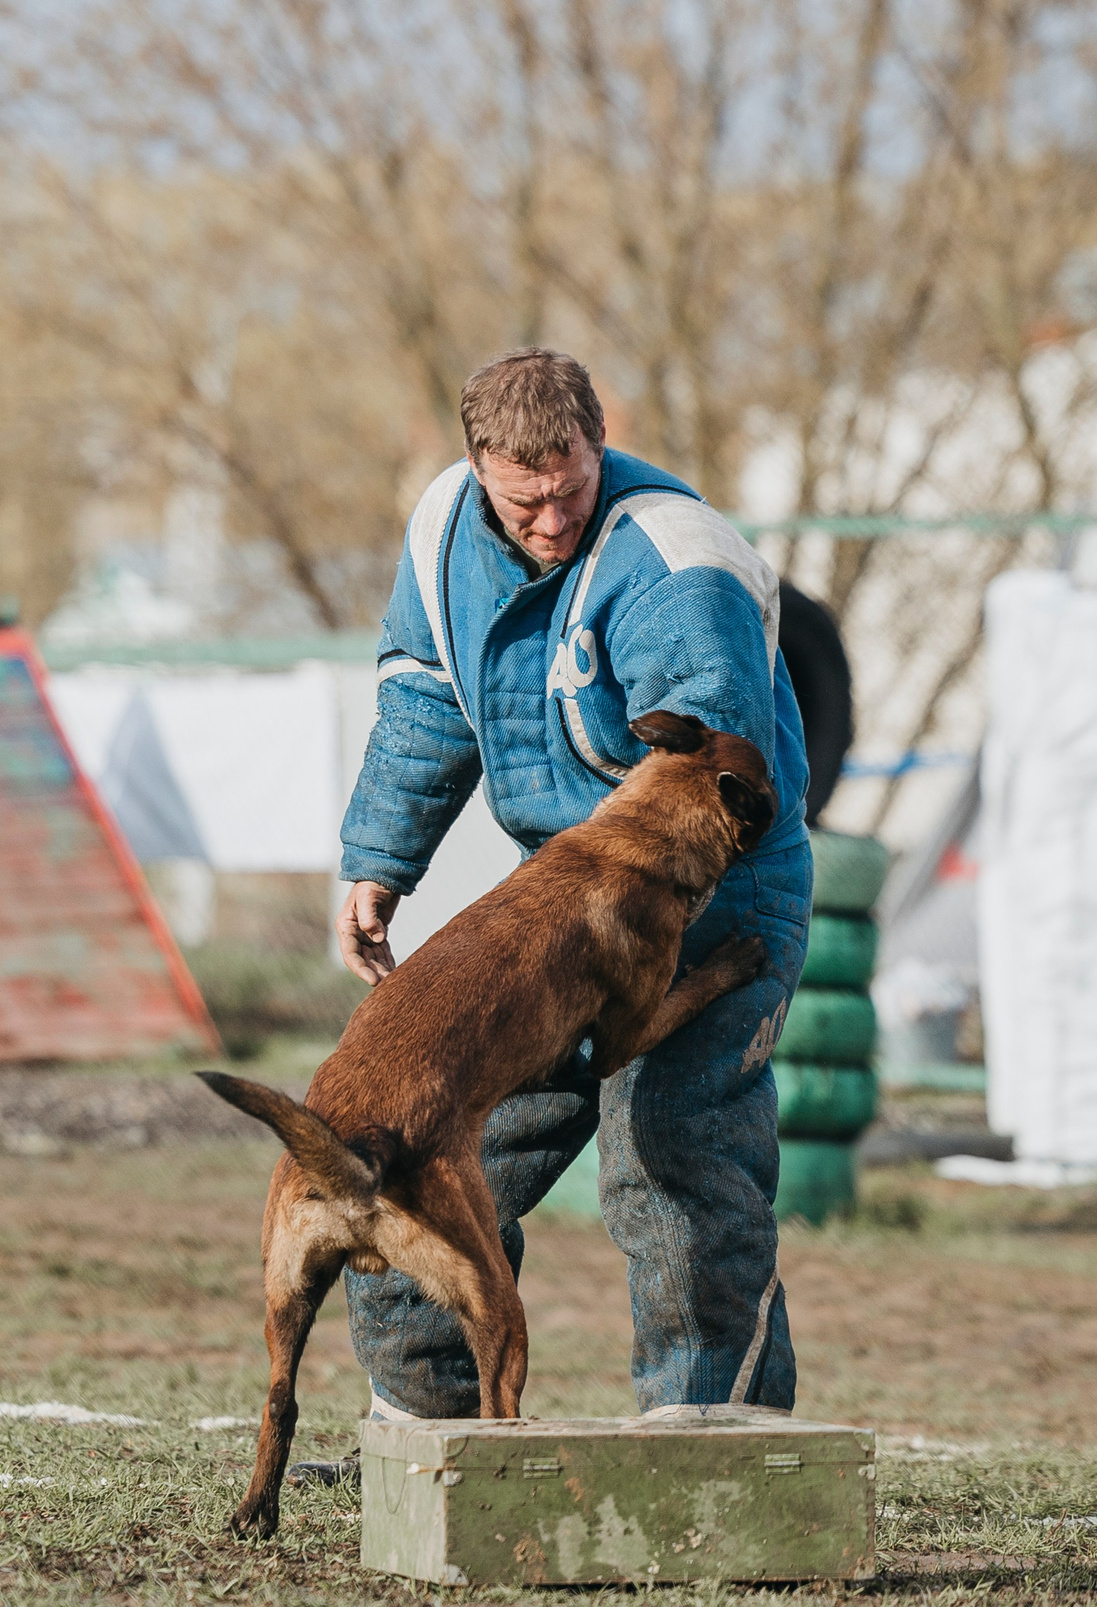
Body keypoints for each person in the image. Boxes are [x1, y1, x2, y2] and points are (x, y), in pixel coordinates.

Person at [335, 346, 814, 1418]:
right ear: (476, 468)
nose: (550, 520)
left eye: (570, 491)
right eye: (524, 500)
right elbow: (423, 701)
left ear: (599, 444)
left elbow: (717, 776)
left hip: (711, 888)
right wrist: (378, 861)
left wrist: (610, 915)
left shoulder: (675, 559)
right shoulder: (440, 533)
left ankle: (711, 1434)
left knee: (674, 1164)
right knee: (427, 1144)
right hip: (562, 893)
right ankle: (421, 1430)